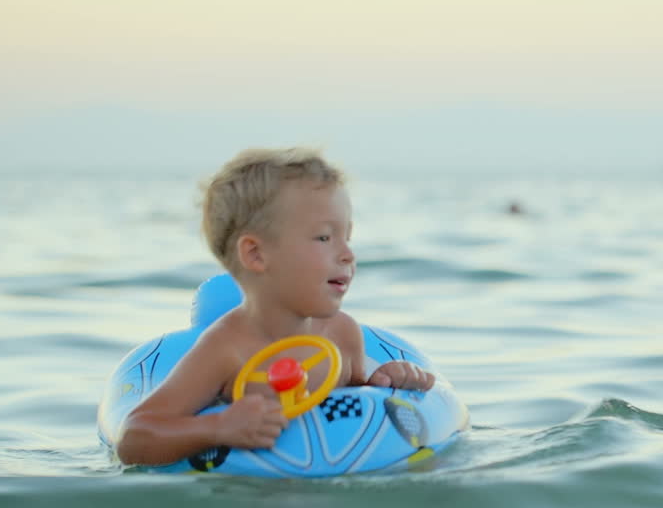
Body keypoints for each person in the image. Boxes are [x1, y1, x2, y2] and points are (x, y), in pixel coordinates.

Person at [116, 147, 434, 466]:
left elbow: (362, 409)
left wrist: (387, 379)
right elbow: (135, 437)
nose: (348, 254)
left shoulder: (342, 334)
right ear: (256, 254)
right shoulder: (225, 350)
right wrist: (217, 427)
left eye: (347, 237)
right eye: (324, 238)